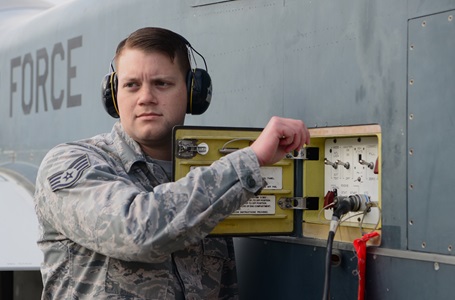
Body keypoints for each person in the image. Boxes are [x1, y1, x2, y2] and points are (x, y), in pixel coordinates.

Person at [34, 27, 310, 299]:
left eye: (161, 83)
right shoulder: (72, 163)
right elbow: (137, 231)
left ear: (193, 93)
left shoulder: (207, 177)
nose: (145, 98)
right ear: (114, 96)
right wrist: (251, 160)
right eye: (131, 85)